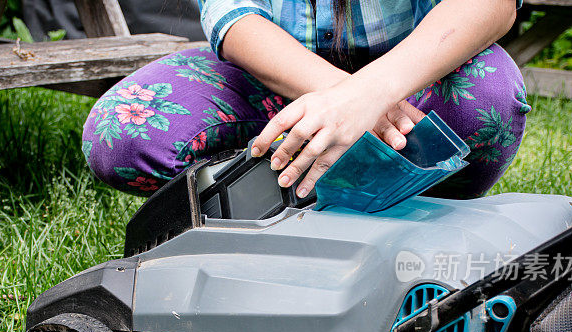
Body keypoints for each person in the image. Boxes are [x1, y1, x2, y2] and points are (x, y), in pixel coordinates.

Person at [82, 0, 531, 200]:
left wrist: (368, 96)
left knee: (488, 100)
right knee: (122, 135)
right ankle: (263, 210)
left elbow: (492, 4)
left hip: (411, 82)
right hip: (270, 82)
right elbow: (233, 17)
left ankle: (417, 209)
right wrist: (341, 100)